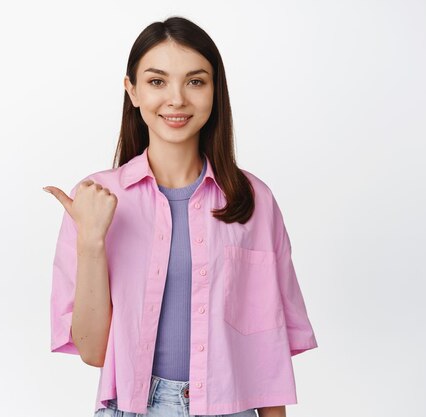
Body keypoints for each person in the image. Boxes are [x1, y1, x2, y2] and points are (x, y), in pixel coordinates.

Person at [43, 16, 318, 417]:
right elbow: (93, 351)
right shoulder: (95, 199)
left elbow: (268, 353)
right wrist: (92, 240)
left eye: (195, 81)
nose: (176, 99)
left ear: (214, 91)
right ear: (132, 91)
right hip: (131, 408)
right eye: (157, 82)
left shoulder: (253, 200)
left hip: (231, 407)